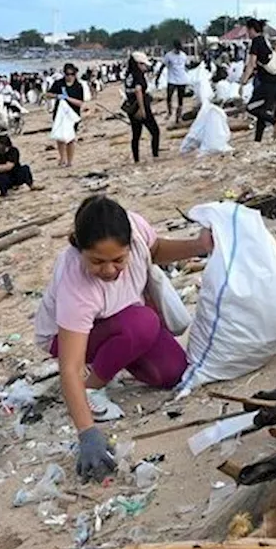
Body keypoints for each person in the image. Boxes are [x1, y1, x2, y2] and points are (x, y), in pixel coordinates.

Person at [33, 195, 213, 480]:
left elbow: (156, 249)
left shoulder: (136, 230)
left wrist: (199, 246)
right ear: (80, 250)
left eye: (118, 260)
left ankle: (116, 355)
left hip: (122, 318)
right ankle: (91, 387)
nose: (108, 270)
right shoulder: (76, 284)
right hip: (68, 336)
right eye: (97, 261)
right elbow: (69, 365)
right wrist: (87, 432)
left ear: (129, 246)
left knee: (171, 372)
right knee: (142, 323)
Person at [239, 18, 276, 143]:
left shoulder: (256, 42)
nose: (247, 33)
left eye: (248, 30)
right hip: (275, 79)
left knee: (251, 108)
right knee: (262, 110)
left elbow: (251, 64)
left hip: (267, 81)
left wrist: (243, 81)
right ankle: (258, 139)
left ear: (251, 29)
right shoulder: (265, 39)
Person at [124, 51, 161, 163]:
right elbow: (138, 90)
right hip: (141, 106)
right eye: (143, 64)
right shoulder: (138, 75)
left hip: (131, 108)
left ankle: (136, 159)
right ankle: (155, 155)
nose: (145, 67)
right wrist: (142, 109)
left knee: (136, 135)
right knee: (155, 131)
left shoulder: (128, 75)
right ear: (138, 64)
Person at [50, 63, 85, 167]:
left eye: (72, 74)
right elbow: (47, 94)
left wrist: (67, 98)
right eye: (67, 74)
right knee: (60, 137)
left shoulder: (78, 86)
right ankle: (62, 158)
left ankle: (70, 161)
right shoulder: (58, 83)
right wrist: (57, 96)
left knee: (71, 138)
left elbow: (80, 103)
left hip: (72, 115)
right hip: (59, 114)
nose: (69, 76)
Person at [157, 40, 190, 125]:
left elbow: (186, 66)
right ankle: (169, 112)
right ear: (175, 47)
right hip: (172, 79)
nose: (179, 50)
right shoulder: (168, 55)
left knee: (180, 99)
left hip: (182, 79)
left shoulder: (184, 55)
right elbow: (162, 66)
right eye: (178, 49)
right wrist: (158, 77)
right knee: (169, 96)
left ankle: (178, 117)